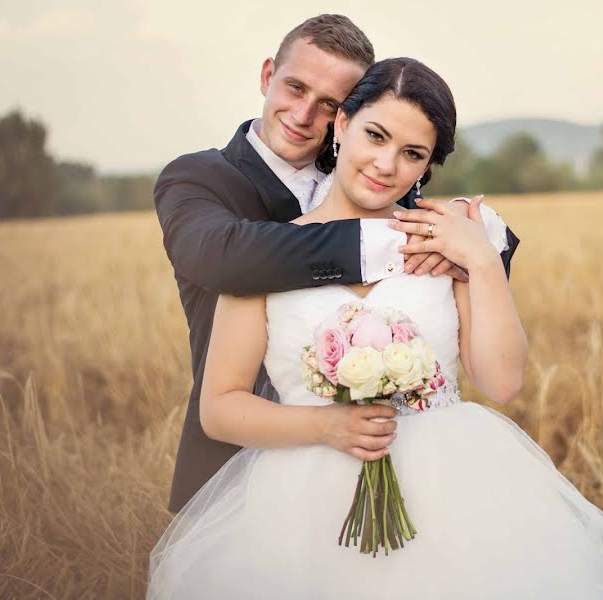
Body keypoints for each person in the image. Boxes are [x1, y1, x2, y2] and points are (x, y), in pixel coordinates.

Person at [147, 57, 603, 600]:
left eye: (412, 154)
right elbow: (220, 407)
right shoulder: (263, 258)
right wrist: (327, 428)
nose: (386, 164)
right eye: (375, 135)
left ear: (427, 167)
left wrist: (481, 259)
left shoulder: (446, 244)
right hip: (303, 509)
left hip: (454, 496)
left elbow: (502, 382)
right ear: (342, 125)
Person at [154, 14, 519, 513]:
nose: (305, 114)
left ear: (343, 114)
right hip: (256, 467)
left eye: (327, 103)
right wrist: (395, 242)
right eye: (295, 87)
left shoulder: (380, 171)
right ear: (267, 76)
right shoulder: (199, 178)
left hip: (432, 478)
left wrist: (477, 242)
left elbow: (495, 366)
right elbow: (225, 258)